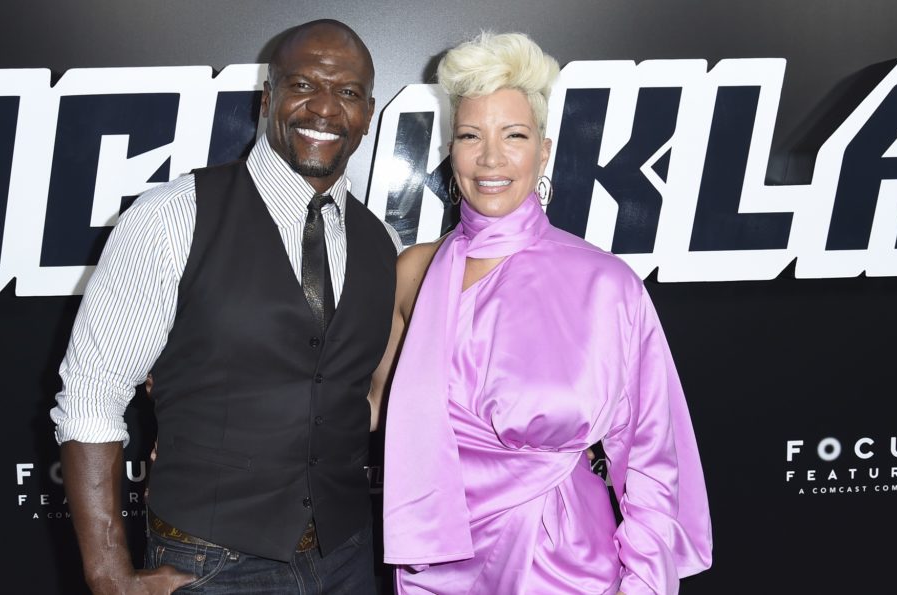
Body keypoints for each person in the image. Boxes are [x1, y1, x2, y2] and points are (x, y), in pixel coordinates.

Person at [50, 19, 400, 594]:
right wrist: (109, 573)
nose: (325, 109)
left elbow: (356, 397)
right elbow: (91, 394)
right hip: (211, 565)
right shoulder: (171, 216)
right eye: (303, 85)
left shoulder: (378, 241)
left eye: (346, 93)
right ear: (268, 98)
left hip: (347, 558)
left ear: (366, 111)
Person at [376, 32, 713, 594]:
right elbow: (368, 406)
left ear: (544, 149)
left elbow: (654, 461)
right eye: (469, 136)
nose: (490, 158)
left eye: (513, 135)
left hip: (563, 566)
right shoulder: (414, 271)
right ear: (450, 148)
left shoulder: (606, 285)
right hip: (438, 567)